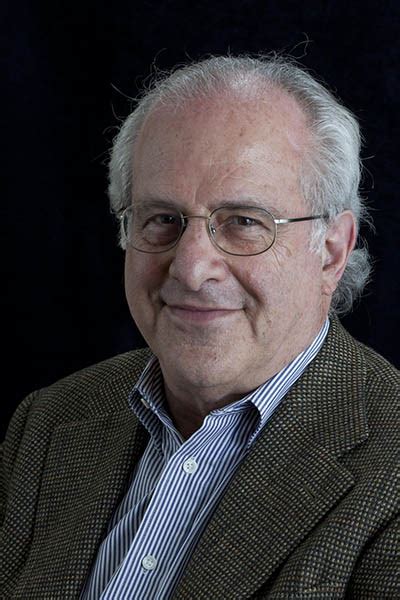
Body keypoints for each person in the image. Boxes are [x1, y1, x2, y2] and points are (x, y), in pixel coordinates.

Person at [1, 54, 399, 600]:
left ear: (331, 252)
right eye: (162, 220)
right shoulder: (49, 423)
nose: (190, 268)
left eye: (244, 223)